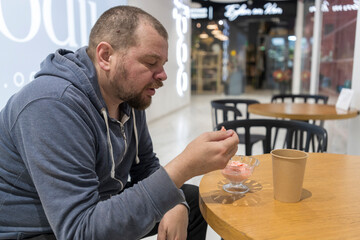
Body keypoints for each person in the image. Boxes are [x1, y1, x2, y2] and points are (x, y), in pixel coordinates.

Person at [0, 5, 239, 240]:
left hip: (97, 205)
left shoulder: (127, 96)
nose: (163, 75)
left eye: (163, 64)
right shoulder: (51, 104)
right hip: (39, 230)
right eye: (150, 62)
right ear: (106, 56)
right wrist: (182, 168)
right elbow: (79, 231)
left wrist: (174, 200)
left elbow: (145, 167)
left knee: (191, 202)